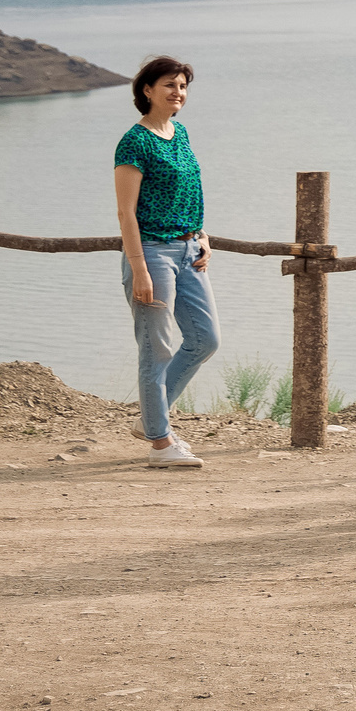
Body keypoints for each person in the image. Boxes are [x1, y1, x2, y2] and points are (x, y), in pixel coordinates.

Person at [115, 55, 218, 469]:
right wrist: (139, 267)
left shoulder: (180, 133)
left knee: (205, 340)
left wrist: (202, 234)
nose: (178, 93)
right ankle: (160, 442)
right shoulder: (134, 142)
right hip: (152, 253)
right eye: (170, 86)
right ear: (147, 91)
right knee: (155, 350)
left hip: (189, 250)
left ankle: (151, 420)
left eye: (183, 86)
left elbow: (187, 191)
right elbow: (126, 213)